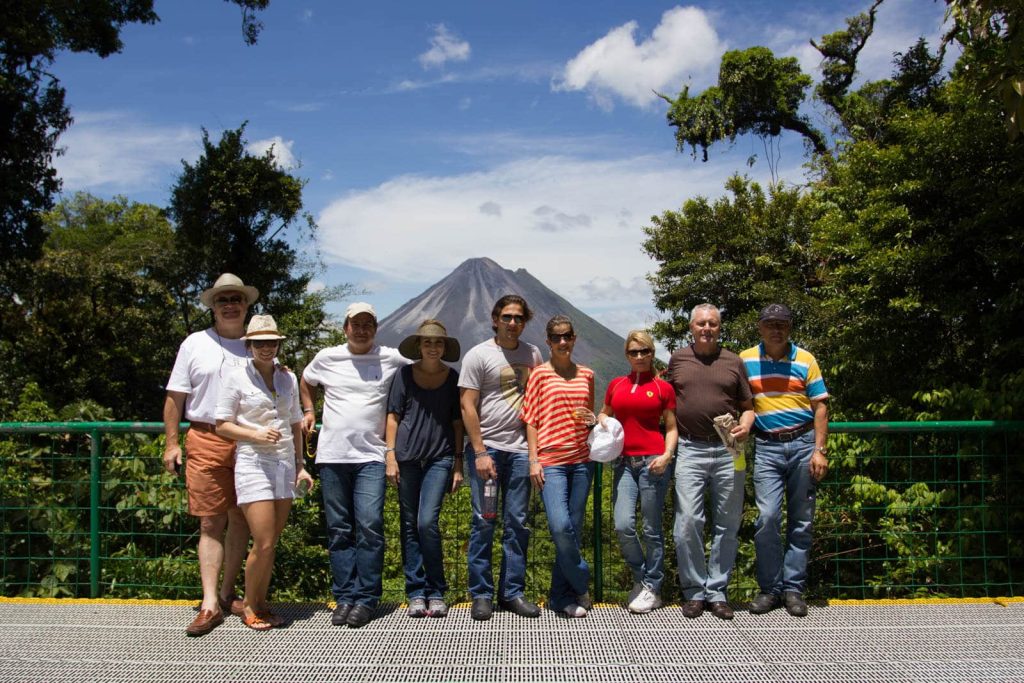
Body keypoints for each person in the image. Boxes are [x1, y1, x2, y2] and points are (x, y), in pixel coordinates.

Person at [300, 302, 409, 628]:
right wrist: (309, 410)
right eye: (355, 324)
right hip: (332, 456)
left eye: (367, 324)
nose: (361, 330)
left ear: (375, 328)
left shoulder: (389, 357)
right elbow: (305, 380)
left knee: (370, 525)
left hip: (372, 457)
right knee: (339, 529)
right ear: (345, 327)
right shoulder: (327, 357)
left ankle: (366, 598)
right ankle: (344, 596)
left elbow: (424, 366)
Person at [163, 273, 256, 637]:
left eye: (236, 298)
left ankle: (227, 592)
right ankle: (209, 603)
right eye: (222, 300)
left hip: (249, 440)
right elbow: (175, 397)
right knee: (210, 521)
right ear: (213, 307)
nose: (230, 305)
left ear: (247, 305)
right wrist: (172, 443)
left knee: (243, 519)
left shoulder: (258, 343)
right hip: (205, 437)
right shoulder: (194, 344)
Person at [214, 315, 314, 630]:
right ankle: (249, 605)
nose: (266, 348)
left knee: (272, 541)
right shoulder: (234, 377)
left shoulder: (287, 378)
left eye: (271, 342)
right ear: (250, 345)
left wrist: (301, 466)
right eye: (259, 343)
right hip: (253, 462)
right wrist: (254, 435)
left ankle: (260, 601)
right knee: (265, 540)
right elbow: (221, 424)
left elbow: (296, 423)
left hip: (284, 464)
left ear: (277, 344)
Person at [740, 303, 829, 617]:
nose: (776, 329)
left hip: (804, 444)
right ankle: (770, 588)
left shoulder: (805, 360)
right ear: (760, 327)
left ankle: (793, 589)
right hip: (767, 447)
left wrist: (820, 449)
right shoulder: (746, 360)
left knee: (802, 521)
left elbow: (820, 406)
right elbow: (737, 398)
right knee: (767, 518)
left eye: (782, 324)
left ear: (790, 327)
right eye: (770, 324)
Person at [667, 303, 755, 620]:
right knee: (688, 521)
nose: (707, 328)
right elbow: (665, 402)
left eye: (713, 324)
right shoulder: (678, 359)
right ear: (691, 327)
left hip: (729, 448)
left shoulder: (734, 362)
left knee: (727, 523)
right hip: (689, 448)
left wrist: (747, 423)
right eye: (701, 323)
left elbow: (748, 405)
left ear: (720, 328)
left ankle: (717, 591)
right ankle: (693, 591)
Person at [459, 294, 543, 621]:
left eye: (518, 318)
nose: (512, 323)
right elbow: (467, 405)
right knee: (484, 521)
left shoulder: (533, 354)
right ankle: (481, 593)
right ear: (495, 319)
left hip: (522, 451)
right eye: (506, 317)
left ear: (524, 321)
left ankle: (512, 592)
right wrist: (479, 451)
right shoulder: (478, 355)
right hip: (489, 451)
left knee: (517, 523)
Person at [385, 319, 464, 618]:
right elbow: (393, 417)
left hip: (439, 458)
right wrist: (390, 455)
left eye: (438, 342)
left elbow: (457, 424)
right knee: (409, 523)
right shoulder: (404, 375)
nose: (433, 347)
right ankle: (416, 591)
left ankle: (436, 589)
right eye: (428, 342)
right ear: (419, 346)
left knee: (425, 522)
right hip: (406, 458)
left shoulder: (452, 377)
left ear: (445, 347)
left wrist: (458, 463)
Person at [597, 330, 677, 614]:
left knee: (652, 528)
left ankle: (652, 587)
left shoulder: (662, 388)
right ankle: (644, 579)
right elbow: (604, 412)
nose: (640, 357)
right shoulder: (617, 384)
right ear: (627, 356)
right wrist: (603, 420)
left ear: (652, 353)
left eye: (644, 351)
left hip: (654, 462)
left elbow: (670, 427)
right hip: (624, 463)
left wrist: (667, 456)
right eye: (634, 352)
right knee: (623, 524)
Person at [521, 315, 596, 618]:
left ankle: (559, 596)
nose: (563, 342)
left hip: (582, 461)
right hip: (550, 462)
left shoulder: (588, 375)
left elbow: (589, 415)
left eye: (567, 336)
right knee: (560, 527)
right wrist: (533, 459)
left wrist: (591, 420)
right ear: (548, 341)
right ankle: (582, 580)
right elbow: (530, 418)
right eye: (556, 337)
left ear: (574, 338)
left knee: (573, 531)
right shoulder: (539, 375)